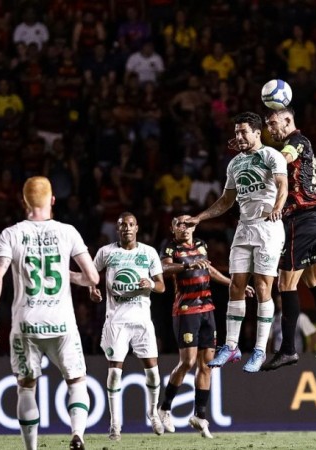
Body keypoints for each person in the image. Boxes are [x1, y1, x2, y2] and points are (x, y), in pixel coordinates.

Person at [0, 176, 99, 450]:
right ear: (53, 200)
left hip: (26, 324)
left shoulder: (11, 234)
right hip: (62, 322)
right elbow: (92, 277)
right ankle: (77, 435)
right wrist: (71, 276)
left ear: (24, 202)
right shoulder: (67, 232)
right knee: (76, 381)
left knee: (26, 387)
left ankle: (31, 448)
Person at [186, 112, 288, 373]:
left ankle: (260, 350)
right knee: (236, 286)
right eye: (236, 132)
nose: (239, 137)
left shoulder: (271, 156)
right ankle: (231, 346)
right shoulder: (235, 164)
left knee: (263, 287)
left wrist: (278, 207)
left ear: (257, 133)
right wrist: (199, 217)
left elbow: (282, 185)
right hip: (244, 228)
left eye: (244, 132)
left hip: (268, 229)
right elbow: (226, 200)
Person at [262, 107, 316, 371]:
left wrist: (254, 155)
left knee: (285, 283)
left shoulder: (297, 141)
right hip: (315, 219)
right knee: (313, 279)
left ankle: (288, 349)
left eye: (273, 123)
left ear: (288, 120)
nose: (270, 129)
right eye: (267, 125)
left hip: (301, 219)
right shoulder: (298, 143)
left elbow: (283, 158)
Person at [158, 215, 254, 438]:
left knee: (207, 365)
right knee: (188, 362)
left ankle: (199, 416)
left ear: (193, 227)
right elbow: (164, 268)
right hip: (186, 310)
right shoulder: (171, 248)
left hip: (207, 309)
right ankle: (164, 408)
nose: (184, 227)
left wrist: (232, 283)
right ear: (173, 229)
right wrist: (187, 264)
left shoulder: (201, 245)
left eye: (187, 223)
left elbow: (208, 270)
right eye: (179, 224)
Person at [89, 212, 166, 440]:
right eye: (123, 225)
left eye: (131, 224)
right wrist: (92, 290)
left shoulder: (148, 252)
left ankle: (152, 413)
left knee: (153, 373)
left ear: (137, 228)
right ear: (117, 229)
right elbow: (91, 275)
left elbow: (161, 286)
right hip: (117, 322)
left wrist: (150, 283)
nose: (127, 228)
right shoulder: (106, 252)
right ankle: (115, 424)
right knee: (114, 373)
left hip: (142, 321)